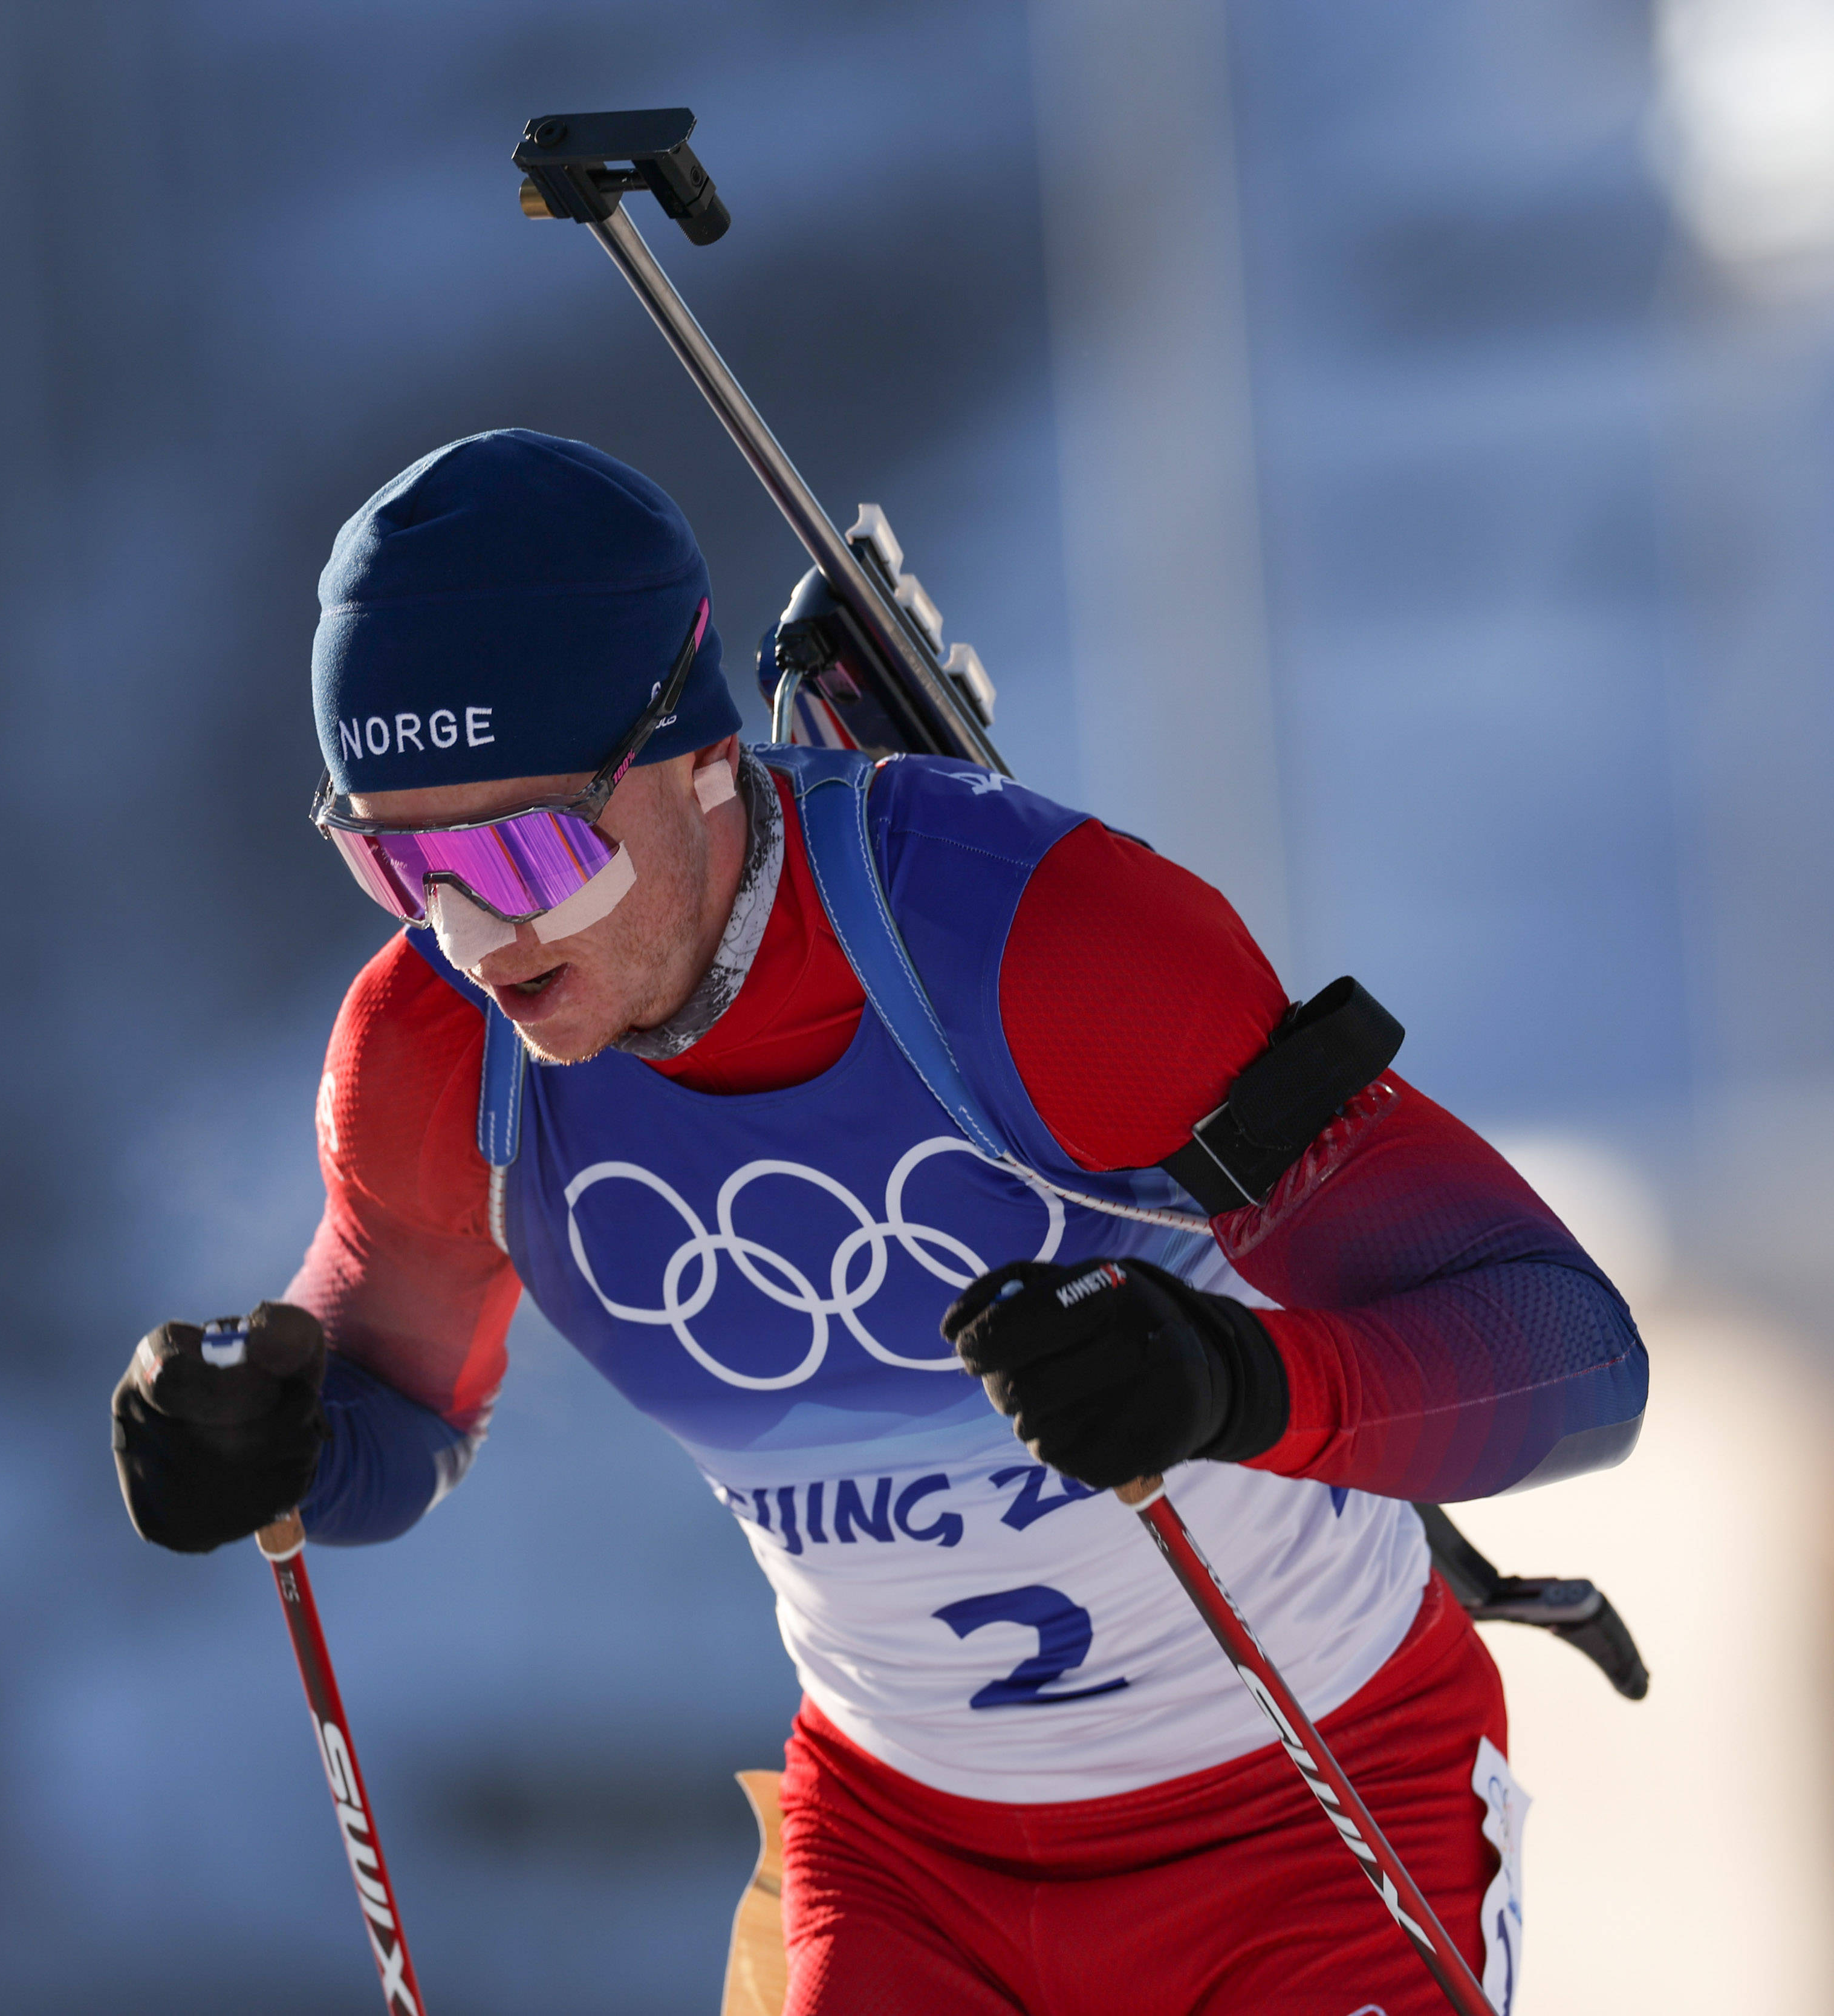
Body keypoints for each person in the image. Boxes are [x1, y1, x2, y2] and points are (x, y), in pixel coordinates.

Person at [108, 429, 1644, 2014]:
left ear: (695, 752)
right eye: (397, 863)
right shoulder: (436, 1057)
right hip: (909, 1869)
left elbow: (1571, 1354)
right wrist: (254, 1438)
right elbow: (391, 1428)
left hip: (1308, 1809)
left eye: (524, 851)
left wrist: (1239, 1383)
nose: (475, 935)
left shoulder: (1030, 941)